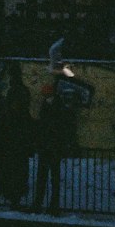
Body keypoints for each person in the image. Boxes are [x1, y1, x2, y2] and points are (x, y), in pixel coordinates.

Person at [33, 84, 73, 215]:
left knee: (44, 177)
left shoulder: (49, 106)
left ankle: (40, 204)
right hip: (52, 147)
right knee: (52, 178)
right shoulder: (58, 106)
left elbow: (47, 125)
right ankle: (51, 205)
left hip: (49, 146)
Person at [0, 64, 33, 207]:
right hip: (20, 136)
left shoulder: (14, 91)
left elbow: (13, 110)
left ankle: (14, 192)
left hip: (14, 135)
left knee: (14, 165)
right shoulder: (23, 91)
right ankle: (18, 190)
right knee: (20, 165)